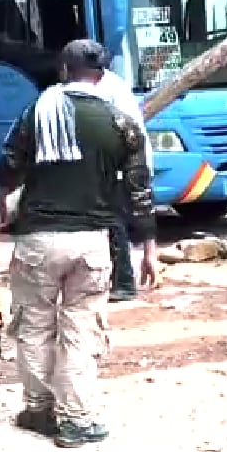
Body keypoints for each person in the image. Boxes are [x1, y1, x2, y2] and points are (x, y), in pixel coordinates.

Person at [0, 39, 159, 449]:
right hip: (90, 244)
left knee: (34, 325)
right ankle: (77, 420)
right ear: (102, 75)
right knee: (81, 329)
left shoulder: (39, 112)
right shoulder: (120, 122)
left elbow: (7, 166)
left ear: (63, 69)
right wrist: (149, 249)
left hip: (37, 239)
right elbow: (139, 192)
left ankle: (38, 408)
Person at [96, 49, 153, 302]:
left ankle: (125, 283)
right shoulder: (110, 84)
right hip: (128, 159)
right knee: (123, 218)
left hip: (128, 161)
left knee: (116, 221)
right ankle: (138, 267)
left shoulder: (106, 89)